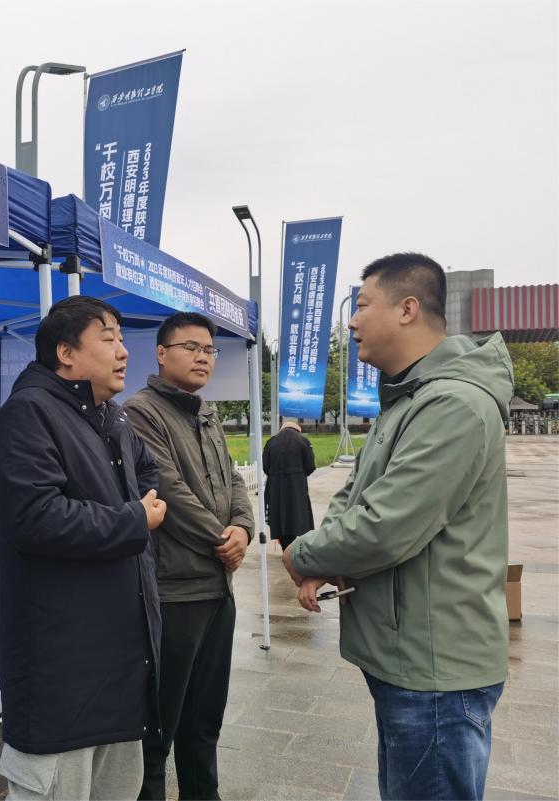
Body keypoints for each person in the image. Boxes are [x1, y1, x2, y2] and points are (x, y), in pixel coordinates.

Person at [282, 253, 512, 801]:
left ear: (407, 309)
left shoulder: (453, 404)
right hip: (408, 657)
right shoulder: (407, 400)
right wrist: (325, 558)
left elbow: (386, 526)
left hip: (435, 666)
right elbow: (353, 496)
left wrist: (301, 555)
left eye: (362, 305)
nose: (352, 322)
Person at [0, 296, 167, 801]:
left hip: (120, 674)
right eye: (108, 339)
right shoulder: (28, 414)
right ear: (65, 353)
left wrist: (139, 507)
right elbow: (35, 518)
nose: (123, 351)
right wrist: (134, 519)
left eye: (122, 339)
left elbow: (149, 473)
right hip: (62, 680)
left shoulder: (111, 418)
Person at [123, 311, 255, 801]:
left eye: (209, 350)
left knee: (204, 721)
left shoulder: (206, 413)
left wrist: (243, 528)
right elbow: (168, 492)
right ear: (161, 353)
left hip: (217, 588)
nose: (203, 357)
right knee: (159, 726)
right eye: (191, 347)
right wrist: (223, 539)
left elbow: (234, 480)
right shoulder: (141, 412)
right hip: (174, 592)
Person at [262, 421, 316, 550]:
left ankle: (286, 548)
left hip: (275, 486)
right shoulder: (303, 441)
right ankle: (300, 548)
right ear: (298, 430)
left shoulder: (271, 442)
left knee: (280, 516)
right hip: (296, 485)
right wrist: (299, 475)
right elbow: (310, 466)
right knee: (299, 514)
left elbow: (265, 466)